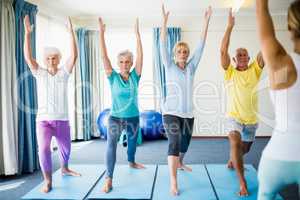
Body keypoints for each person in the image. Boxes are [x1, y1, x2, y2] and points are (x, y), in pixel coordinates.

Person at [23, 15, 81, 193]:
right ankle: (48, 181)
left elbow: (74, 55)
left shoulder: (64, 73)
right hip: (44, 121)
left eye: (54, 58)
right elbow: (28, 57)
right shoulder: (39, 73)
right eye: (48, 58)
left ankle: (65, 168)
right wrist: (27, 34)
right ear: (45, 59)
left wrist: (71, 33)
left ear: (58, 59)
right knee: (44, 149)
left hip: (62, 120)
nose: (51, 61)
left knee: (66, 149)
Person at [160, 4, 212, 196]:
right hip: (170, 113)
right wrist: (164, 23)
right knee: (174, 142)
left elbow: (201, 45)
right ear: (175, 54)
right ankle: (174, 182)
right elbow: (162, 44)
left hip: (188, 113)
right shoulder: (169, 65)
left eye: (185, 51)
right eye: (180, 51)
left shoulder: (191, 67)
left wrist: (206, 21)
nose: (183, 54)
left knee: (185, 144)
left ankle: (181, 162)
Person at [256, 0, 300, 199]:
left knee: (265, 194)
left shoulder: (280, 61)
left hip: (277, 156)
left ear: (290, 27)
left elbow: (262, 12)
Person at [220, 9, 265, 196]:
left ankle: (233, 160)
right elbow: (223, 50)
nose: (242, 57)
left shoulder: (255, 69)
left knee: (244, 149)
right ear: (234, 59)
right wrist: (229, 27)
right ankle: (242, 182)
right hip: (234, 118)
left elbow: (266, 45)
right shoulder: (229, 72)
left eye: (245, 54)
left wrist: (263, 19)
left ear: (250, 57)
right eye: (239, 55)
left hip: (251, 120)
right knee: (235, 144)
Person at [98, 17, 145, 193]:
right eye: (121, 62)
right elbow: (104, 56)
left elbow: (141, 55)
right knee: (111, 144)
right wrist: (101, 34)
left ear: (131, 63)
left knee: (132, 145)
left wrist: (138, 36)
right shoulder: (113, 77)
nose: (125, 65)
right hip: (115, 118)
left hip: (133, 118)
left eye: (127, 62)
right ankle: (109, 178)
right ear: (118, 64)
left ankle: (131, 161)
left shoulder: (135, 76)